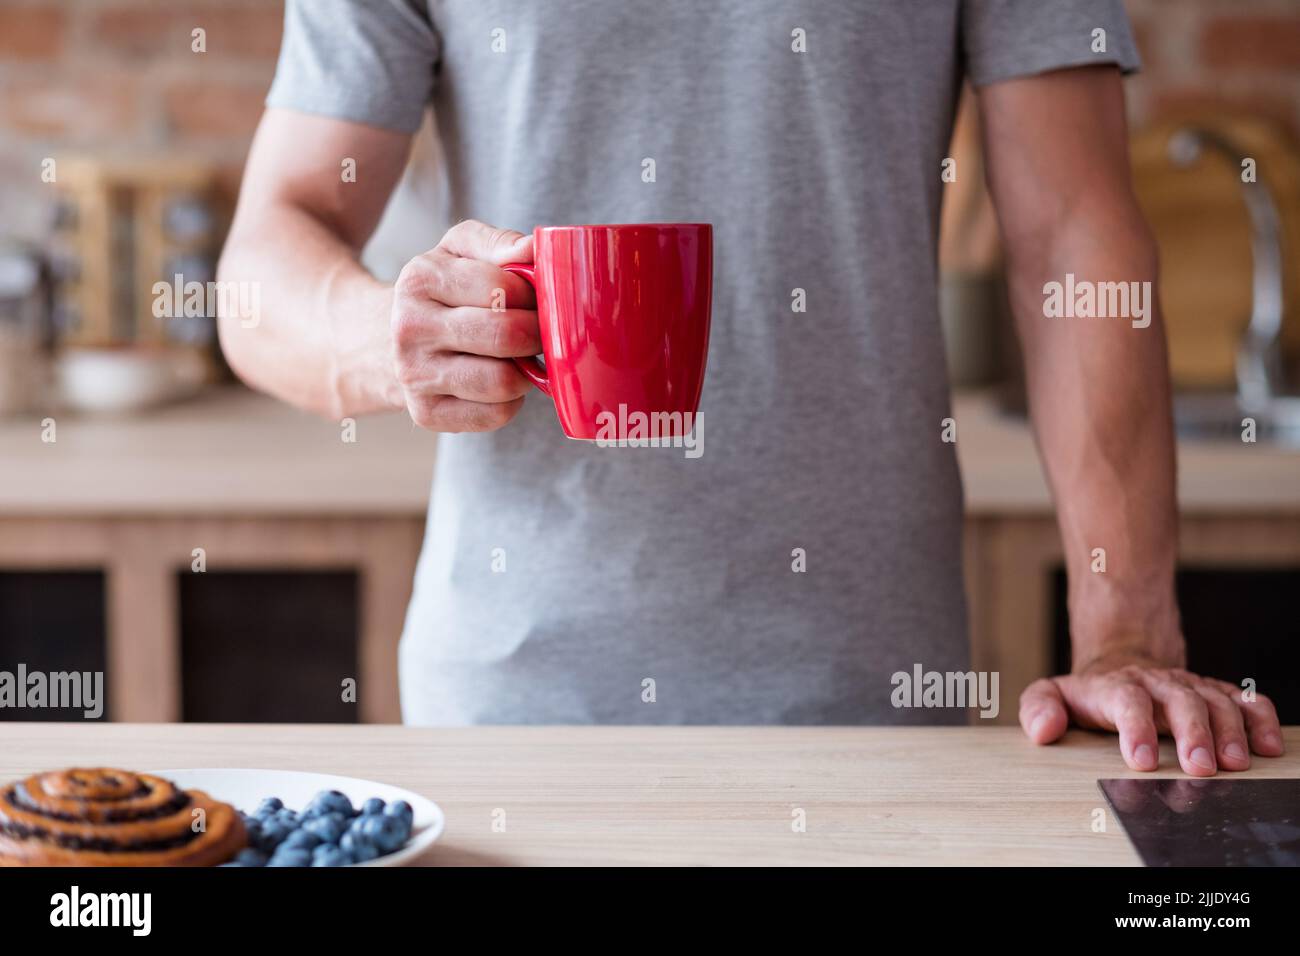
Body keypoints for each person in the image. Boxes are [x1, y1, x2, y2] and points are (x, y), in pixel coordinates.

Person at [217, 0, 1283, 774]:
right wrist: (388, 334)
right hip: (512, 717)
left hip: (873, 715)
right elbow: (264, 261)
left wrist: (1127, 632)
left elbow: (1071, 237)